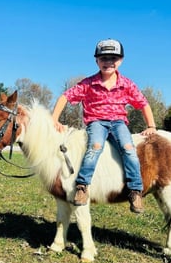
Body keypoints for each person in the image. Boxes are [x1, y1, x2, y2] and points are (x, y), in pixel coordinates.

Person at [51, 38, 156, 213]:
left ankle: (135, 190)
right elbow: (65, 97)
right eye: (103, 58)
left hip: (118, 122)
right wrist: (53, 119)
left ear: (120, 61)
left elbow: (143, 103)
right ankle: (82, 186)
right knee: (95, 147)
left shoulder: (127, 84)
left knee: (129, 148)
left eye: (113, 59)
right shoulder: (88, 83)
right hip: (97, 122)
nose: (108, 62)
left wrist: (151, 125)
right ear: (96, 60)